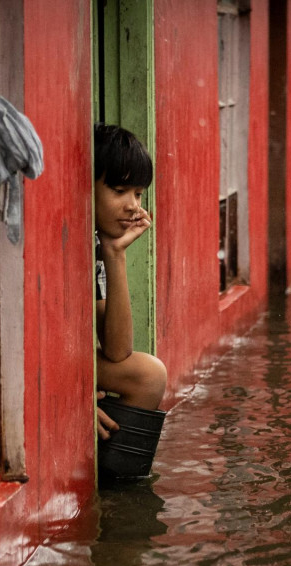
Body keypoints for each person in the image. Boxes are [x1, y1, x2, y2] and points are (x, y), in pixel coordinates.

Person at [92, 123, 167, 441]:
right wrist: (71, 390)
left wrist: (114, 251)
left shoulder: (97, 242)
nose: (133, 205)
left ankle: (119, 475)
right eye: (119, 191)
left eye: (138, 193)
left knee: (147, 375)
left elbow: (117, 350)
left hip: (71, 360)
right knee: (148, 374)